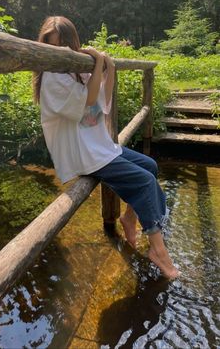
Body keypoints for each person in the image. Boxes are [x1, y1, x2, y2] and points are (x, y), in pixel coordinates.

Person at [32, 16, 181, 280]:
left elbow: (103, 97)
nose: (63, 51)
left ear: (73, 43)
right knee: (145, 182)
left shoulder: (75, 69)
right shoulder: (53, 78)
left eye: (66, 45)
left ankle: (130, 219)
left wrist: (108, 65)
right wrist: (99, 61)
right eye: (55, 46)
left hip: (97, 144)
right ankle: (159, 251)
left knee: (150, 166)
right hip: (83, 153)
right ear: (45, 46)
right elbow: (90, 99)